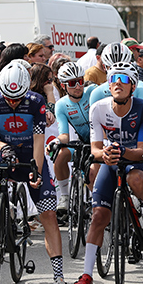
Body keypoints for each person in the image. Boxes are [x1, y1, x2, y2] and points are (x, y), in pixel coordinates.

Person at [0, 62, 68, 284]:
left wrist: (36, 173)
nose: (12, 103)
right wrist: (3, 146)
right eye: (8, 98)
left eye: (18, 98)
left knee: (48, 214)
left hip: (31, 158)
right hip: (7, 156)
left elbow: (39, 142)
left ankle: (59, 276)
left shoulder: (35, 102)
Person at [73, 62, 143, 284]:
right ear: (108, 85)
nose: (117, 83)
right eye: (113, 80)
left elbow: (142, 149)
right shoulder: (98, 108)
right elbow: (95, 149)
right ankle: (87, 274)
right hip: (111, 159)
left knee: (136, 180)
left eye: (123, 79)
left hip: (134, 157)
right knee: (99, 216)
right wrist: (106, 155)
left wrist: (122, 153)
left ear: (133, 86)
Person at [52, 62, 99, 211]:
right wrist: (56, 141)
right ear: (63, 85)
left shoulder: (92, 91)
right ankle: (65, 197)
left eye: (80, 81)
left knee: (93, 173)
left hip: (100, 142)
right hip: (84, 143)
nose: (78, 86)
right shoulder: (61, 105)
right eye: (72, 83)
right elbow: (64, 135)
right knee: (60, 154)